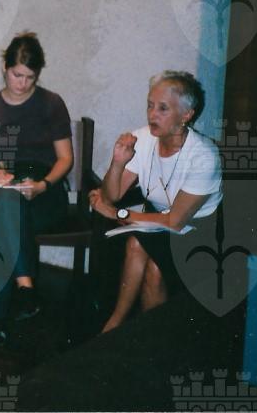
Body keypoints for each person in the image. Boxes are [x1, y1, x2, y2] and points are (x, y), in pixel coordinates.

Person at [90, 70, 222, 333]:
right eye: (150, 105)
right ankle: (120, 326)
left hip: (201, 230)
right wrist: (118, 162)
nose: (152, 114)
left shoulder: (204, 156)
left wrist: (120, 214)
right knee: (138, 247)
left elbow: (176, 220)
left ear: (186, 115)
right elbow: (111, 195)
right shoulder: (143, 139)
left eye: (163, 108)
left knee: (152, 265)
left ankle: (135, 331)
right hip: (160, 222)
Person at [0, 32, 73, 344]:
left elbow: (65, 159)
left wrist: (43, 185)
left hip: (46, 189)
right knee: (7, 209)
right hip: (9, 184)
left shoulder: (51, 104)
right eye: (17, 75)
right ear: (4, 68)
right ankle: (25, 288)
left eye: (30, 77)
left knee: (4, 222)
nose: (23, 83)